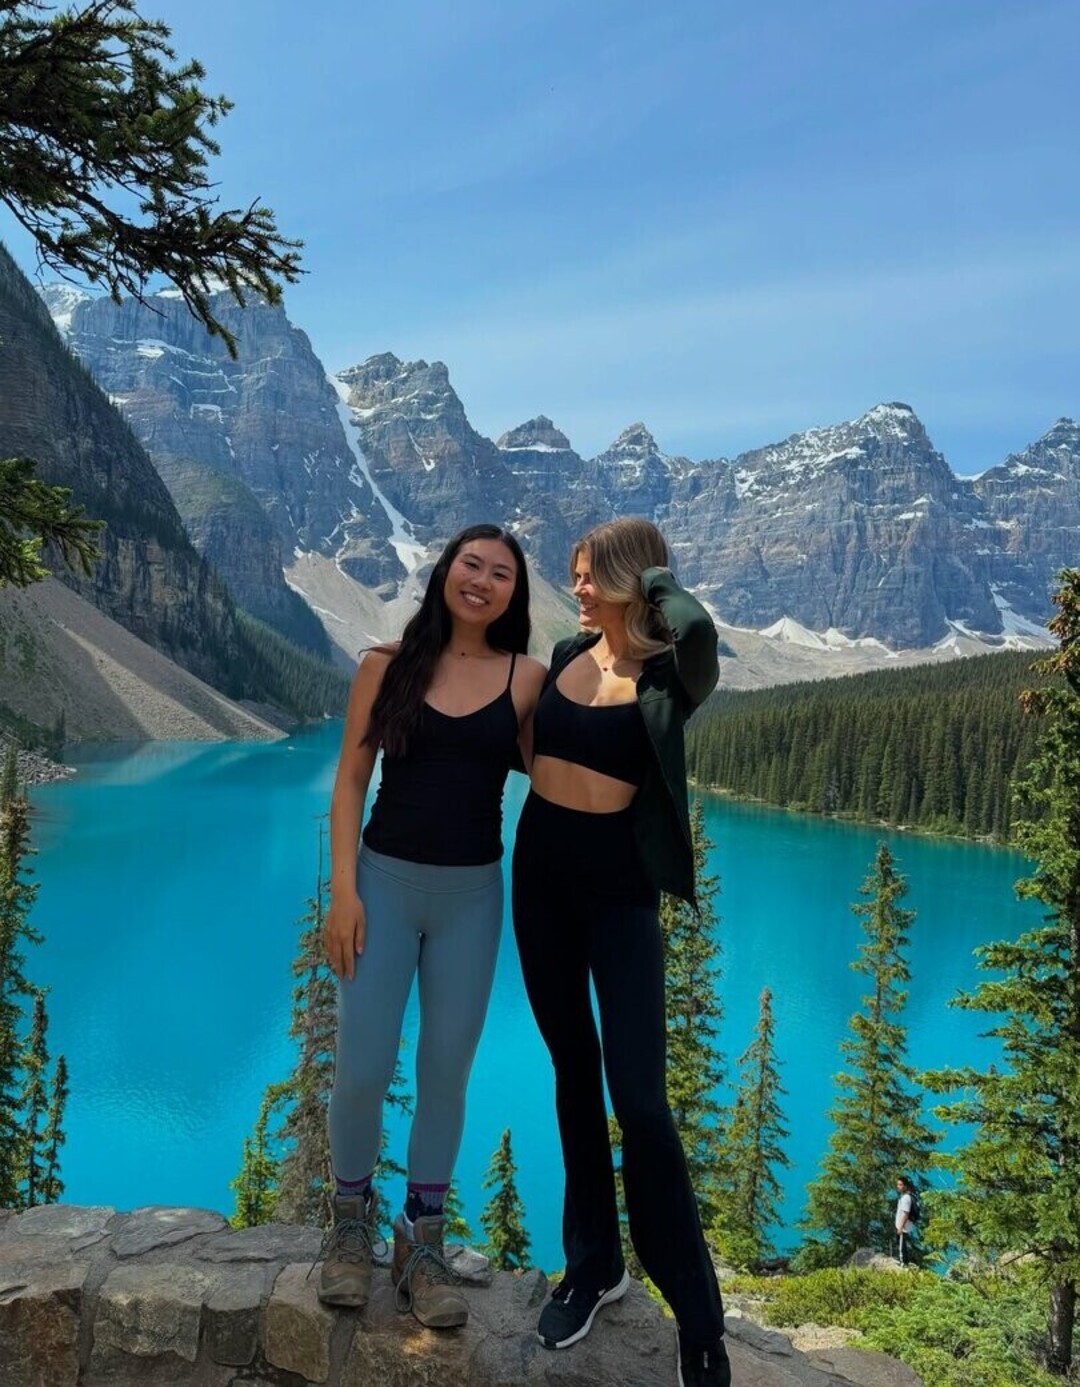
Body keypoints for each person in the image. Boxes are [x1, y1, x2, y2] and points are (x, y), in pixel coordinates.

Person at [512, 517, 731, 1387]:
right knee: (573, 1069)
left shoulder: (672, 672)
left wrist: (653, 582)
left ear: (631, 580)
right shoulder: (568, 650)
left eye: (590, 574)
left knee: (641, 1102)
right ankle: (594, 1266)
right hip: (540, 880)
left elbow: (700, 628)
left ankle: (698, 1320)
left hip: (619, 897)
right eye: (573, 573)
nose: (575, 588)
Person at [318, 524, 546, 1328]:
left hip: (472, 901)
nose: (482, 580)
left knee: (445, 1073)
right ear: (445, 571)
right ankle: (350, 1226)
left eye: (501, 573)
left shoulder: (527, 679)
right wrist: (344, 892)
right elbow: (351, 780)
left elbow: (557, 776)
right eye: (470, 564)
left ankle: (420, 1240)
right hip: (381, 886)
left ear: (515, 593)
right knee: (362, 1067)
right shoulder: (384, 666)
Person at [894, 1176, 918, 1266]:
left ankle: (903, 1263)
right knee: (902, 1244)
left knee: (901, 1246)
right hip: (903, 1226)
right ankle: (904, 1261)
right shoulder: (904, 1197)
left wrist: (900, 1227)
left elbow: (906, 1213)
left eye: (900, 1185)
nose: (898, 1186)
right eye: (898, 1184)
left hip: (903, 1227)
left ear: (905, 1186)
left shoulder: (906, 1198)